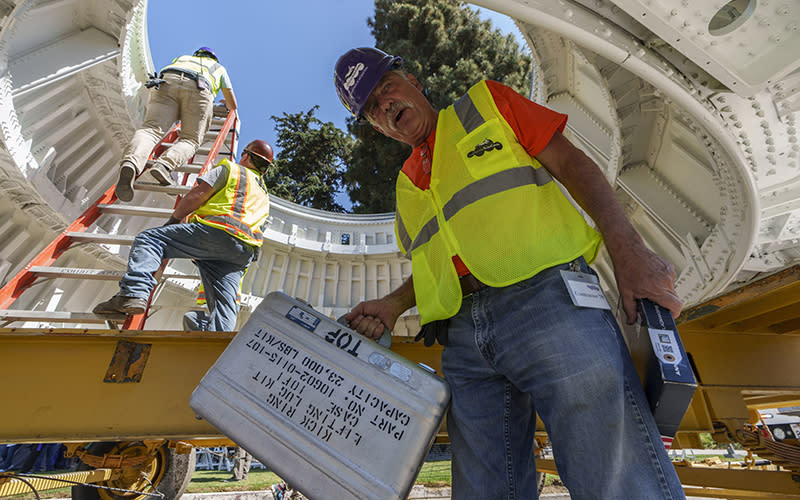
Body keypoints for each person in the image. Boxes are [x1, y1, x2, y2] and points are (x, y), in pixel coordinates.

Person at [335, 48, 686, 499]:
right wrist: (392, 304)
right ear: (378, 127)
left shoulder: (486, 104)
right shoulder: (405, 186)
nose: (384, 105)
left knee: (611, 471)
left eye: (387, 87)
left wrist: (629, 251)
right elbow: (437, 264)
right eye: (371, 109)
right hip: (463, 340)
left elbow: (573, 165)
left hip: (548, 301)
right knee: (484, 488)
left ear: (415, 82)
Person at [94, 140, 273, 332]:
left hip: (219, 233)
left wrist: (174, 220)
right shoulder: (264, 195)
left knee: (150, 240)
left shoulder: (232, 170)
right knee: (224, 305)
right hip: (243, 253)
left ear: (246, 155)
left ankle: (133, 292)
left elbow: (197, 195)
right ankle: (217, 345)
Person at [114, 46, 238, 202]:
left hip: (166, 82)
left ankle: (131, 162)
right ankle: (163, 166)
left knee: (150, 129)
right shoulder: (218, 68)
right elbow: (233, 105)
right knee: (190, 139)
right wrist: (224, 103)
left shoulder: (183, 58)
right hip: (200, 89)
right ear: (213, 58)